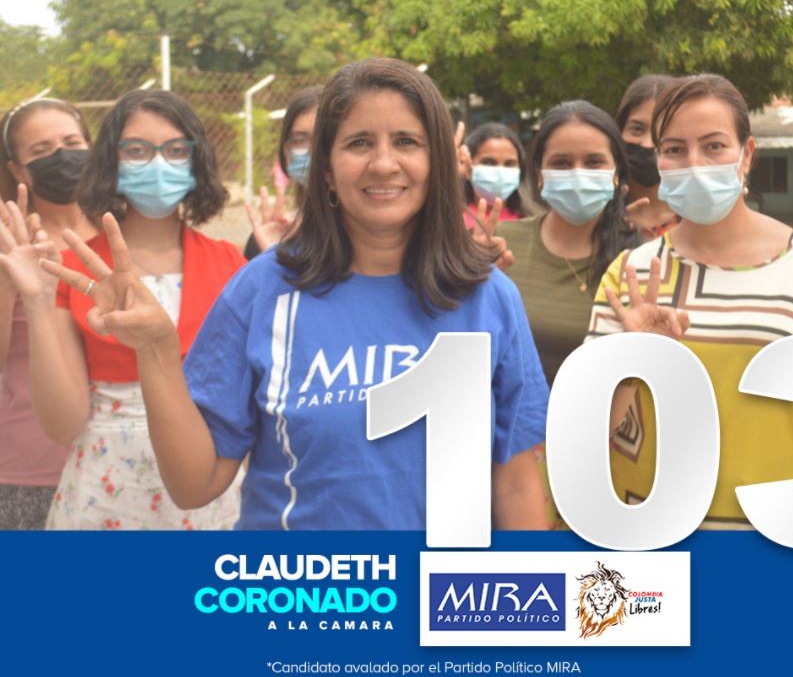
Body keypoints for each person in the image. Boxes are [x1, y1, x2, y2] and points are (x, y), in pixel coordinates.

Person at [44, 58, 550, 531]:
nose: (382, 163)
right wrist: (155, 349)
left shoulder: (488, 298)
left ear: (438, 161)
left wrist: (519, 616)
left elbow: (516, 481)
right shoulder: (260, 289)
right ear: (325, 168)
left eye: (406, 141)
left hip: (442, 603)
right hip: (300, 605)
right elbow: (194, 484)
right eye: (357, 143)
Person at [587, 74, 793, 528]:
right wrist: (630, 364)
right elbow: (589, 432)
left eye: (714, 146)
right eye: (674, 149)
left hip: (784, 541)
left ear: (746, 154)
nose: (694, 162)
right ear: (658, 160)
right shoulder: (631, 275)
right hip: (652, 540)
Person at [3, 89, 244, 529]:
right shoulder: (75, 268)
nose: (157, 164)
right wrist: (38, 302)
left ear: (197, 161)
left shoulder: (233, 264)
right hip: (104, 499)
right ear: (111, 161)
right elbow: (61, 424)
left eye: (174, 150)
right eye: (137, 150)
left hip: (209, 496)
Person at [0, 98, 95, 529]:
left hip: (124, 464)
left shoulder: (125, 230)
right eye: (41, 151)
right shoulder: (8, 243)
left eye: (72, 142)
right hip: (30, 471)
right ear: (18, 170)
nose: (61, 155)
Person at [495, 101, 639, 386]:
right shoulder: (501, 244)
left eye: (594, 162)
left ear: (616, 173)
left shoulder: (639, 260)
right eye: (561, 163)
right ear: (539, 174)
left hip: (603, 426)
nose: (577, 174)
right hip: (515, 426)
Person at [243, 86, 322, 260]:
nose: (313, 151)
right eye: (300, 140)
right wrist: (273, 260)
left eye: (323, 139)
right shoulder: (270, 238)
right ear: (285, 150)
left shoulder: (379, 237)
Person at [615, 75, 681, 238]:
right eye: (637, 129)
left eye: (663, 132)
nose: (648, 143)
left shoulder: (701, 220)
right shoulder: (597, 214)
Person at [461, 122, 527, 229]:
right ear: (468, 169)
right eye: (489, 162)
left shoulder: (533, 224)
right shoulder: (452, 222)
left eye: (509, 164)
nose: (500, 172)